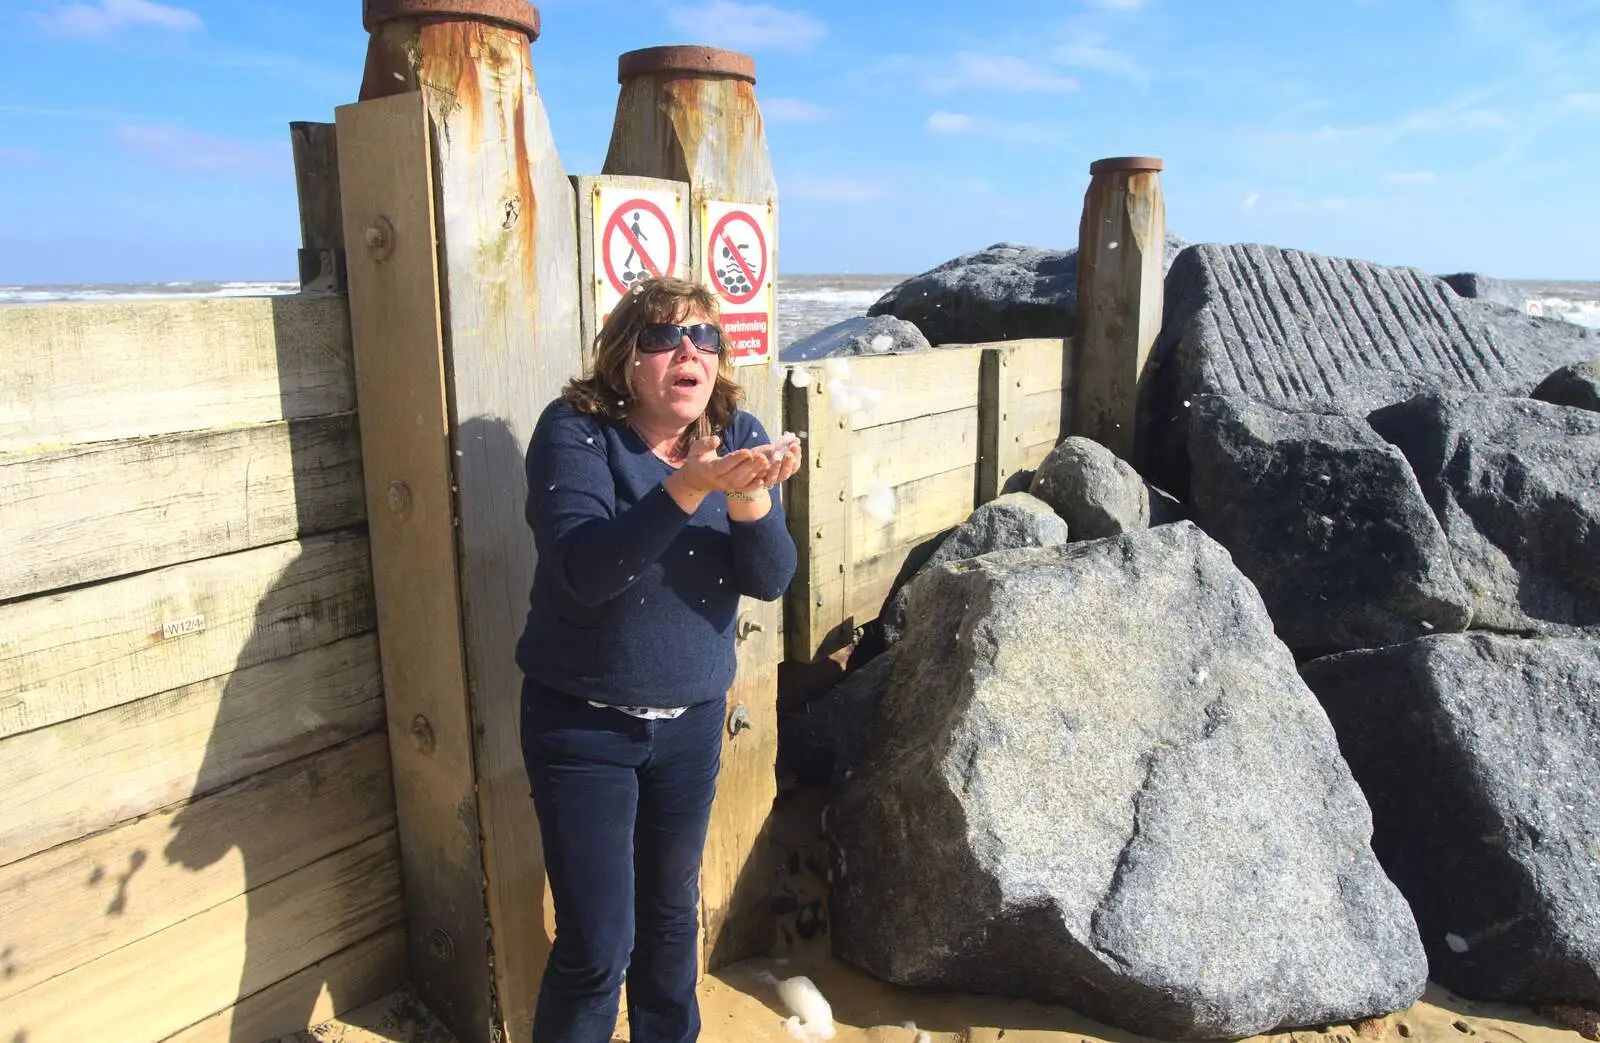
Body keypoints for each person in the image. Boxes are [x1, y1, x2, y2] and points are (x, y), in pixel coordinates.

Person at [515, 276, 800, 1042]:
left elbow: (769, 578)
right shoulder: (576, 432)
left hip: (690, 726)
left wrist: (748, 498)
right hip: (583, 727)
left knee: (673, 922)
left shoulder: (738, 430)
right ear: (625, 358)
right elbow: (585, 570)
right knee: (596, 944)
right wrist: (684, 488)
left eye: (704, 338)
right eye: (664, 337)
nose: (688, 351)